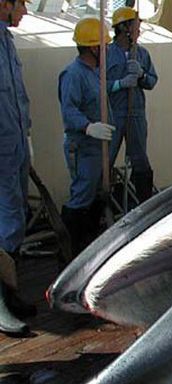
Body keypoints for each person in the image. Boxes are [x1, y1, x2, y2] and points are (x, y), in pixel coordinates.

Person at [58, 17, 116, 256]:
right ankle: (71, 253)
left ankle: (89, 248)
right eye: (105, 46)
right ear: (94, 47)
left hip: (96, 147)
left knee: (93, 195)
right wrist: (88, 127)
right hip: (82, 146)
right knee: (81, 197)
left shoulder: (94, 72)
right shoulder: (73, 74)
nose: (108, 50)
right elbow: (69, 110)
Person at [0, 0, 34, 335]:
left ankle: (10, 296)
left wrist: (26, 137)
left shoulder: (6, 42)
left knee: (15, 220)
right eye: (21, 3)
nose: (24, 10)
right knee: (5, 223)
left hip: (15, 146)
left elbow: (16, 96)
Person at [107, 6, 158, 203]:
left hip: (136, 113)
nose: (139, 31)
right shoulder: (106, 53)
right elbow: (97, 86)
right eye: (136, 27)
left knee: (140, 161)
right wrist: (119, 84)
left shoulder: (142, 54)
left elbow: (152, 81)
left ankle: (144, 204)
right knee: (106, 160)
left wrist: (142, 75)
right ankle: (103, 205)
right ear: (124, 28)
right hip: (113, 114)